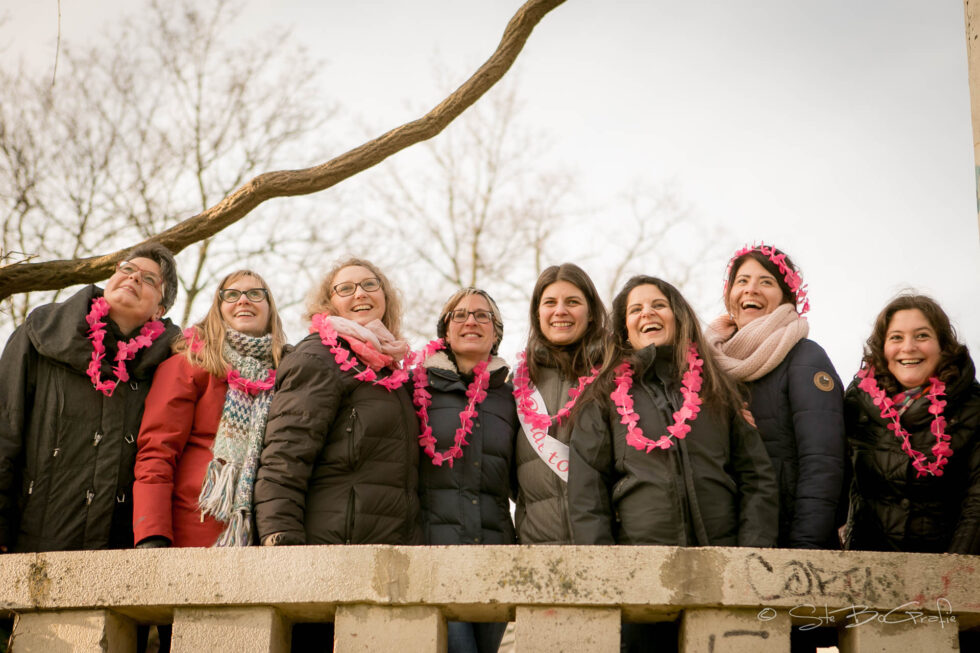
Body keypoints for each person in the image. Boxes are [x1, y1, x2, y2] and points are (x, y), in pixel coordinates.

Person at [569, 274, 778, 548]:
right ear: (625, 331)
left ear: (678, 318)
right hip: (639, 566)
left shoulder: (718, 388)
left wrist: (751, 556)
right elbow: (586, 496)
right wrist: (606, 572)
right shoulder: (602, 398)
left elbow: (758, 479)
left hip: (724, 561)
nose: (647, 313)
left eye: (659, 305)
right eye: (636, 309)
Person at [0, 243, 180, 552]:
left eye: (149, 279)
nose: (133, 278)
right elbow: (4, 431)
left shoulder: (172, 364)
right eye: (126, 269)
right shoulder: (41, 335)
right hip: (29, 547)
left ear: (160, 311)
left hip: (121, 560)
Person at [254, 258, 421, 547]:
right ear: (328, 304)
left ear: (385, 296)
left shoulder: (393, 370)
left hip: (393, 554)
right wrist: (278, 533)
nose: (360, 293)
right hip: (332, 547)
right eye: (345, 288)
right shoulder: (318, 357)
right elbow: (286, 455)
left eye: (370, 284)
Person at [133, 270, 287, 549]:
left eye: (255, 294)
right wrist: (152, 534)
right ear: (218, 308)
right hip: (194, 529)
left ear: (269, 308)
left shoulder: (289, 374)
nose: (243, 301)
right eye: (231, 294)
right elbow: (157, 452)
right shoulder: (188, 364)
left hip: (263, 537)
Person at [706, 244, 846, 549]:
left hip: (788, 544)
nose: (751, 290)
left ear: (787, 297)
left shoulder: (805, 358)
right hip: (727, 540)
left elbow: (823, 463)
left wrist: (806, 548)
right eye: (742, 281)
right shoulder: (708, 364)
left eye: (765, 282)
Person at [413, 287, 518, 653]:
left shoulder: (513, 394)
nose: (470, 320)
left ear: (496, 331)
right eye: (459, 315)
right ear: (445, 329)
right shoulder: (414, 385)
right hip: (435, 558)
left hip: (497, 558)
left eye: (482, 315)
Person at [845, 294, 980, 554]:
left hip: (947, 573)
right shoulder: (857, 400)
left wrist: (952, 574)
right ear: (882, 348)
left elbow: (977, 503)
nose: (908, 347)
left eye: (922, 336)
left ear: (943, 345)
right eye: (896, 337)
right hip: (867, 569)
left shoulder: (972, 405)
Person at [513, 263, 609, 545]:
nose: (560, 311)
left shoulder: (617, 375)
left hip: (606, 551)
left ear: (591, 313)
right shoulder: (516, 387)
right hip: (536, 552)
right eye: (550, 303)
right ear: (537, 314)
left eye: (573, 302)